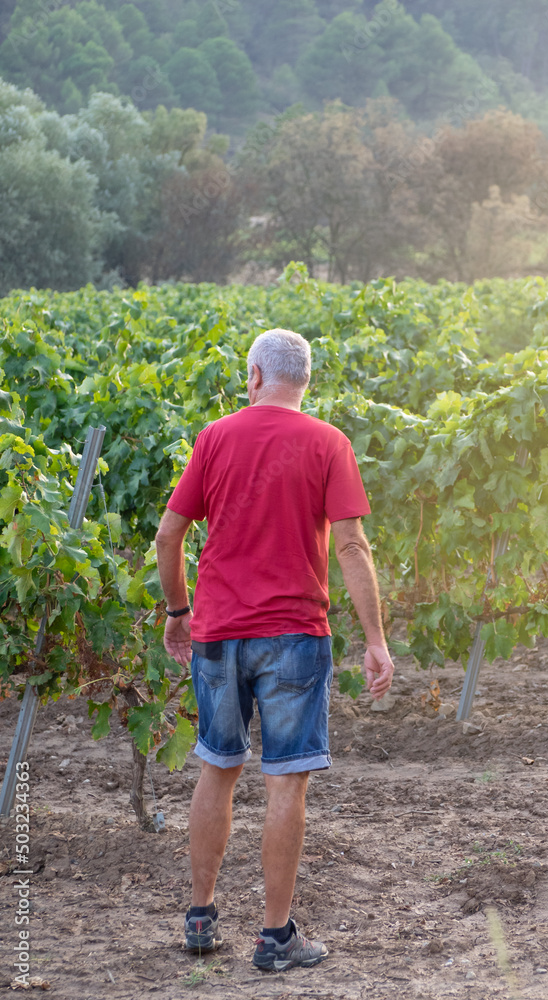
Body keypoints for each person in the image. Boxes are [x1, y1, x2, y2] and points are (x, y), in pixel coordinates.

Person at [155, 328, 394, 972]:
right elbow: (351, 547)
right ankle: (275, 937)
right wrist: (374, 640)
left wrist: (180, 612)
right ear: (304, 383)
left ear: (255, 375)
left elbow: (169, 534)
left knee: (217, 766)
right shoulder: (328, 443)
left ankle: (200, 918)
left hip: (219, 632)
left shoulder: (215, 438)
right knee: (287, 782)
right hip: (293, 636)